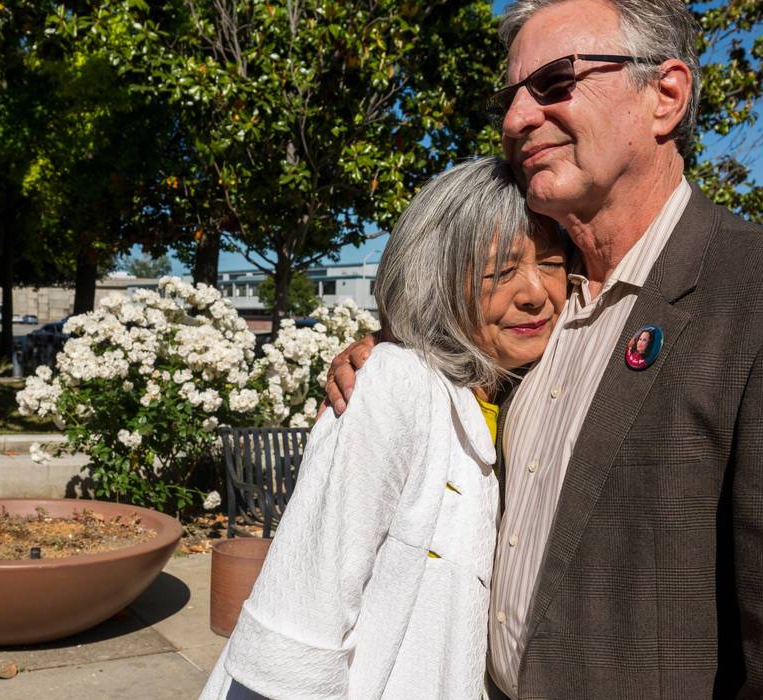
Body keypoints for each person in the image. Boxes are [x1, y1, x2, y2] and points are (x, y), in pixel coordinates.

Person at [325, 0, 763, 697]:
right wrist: (393, 353)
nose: (515, 120)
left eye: (552, 83)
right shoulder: (538, 310)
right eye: (508, 97)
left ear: (664, 95)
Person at [200, 156, 569, 698]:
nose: (535, 291)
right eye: (500, 271)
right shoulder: (395, 383)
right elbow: (303, 617)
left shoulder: (517, 393)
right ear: (437, 282)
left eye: (553, 263)